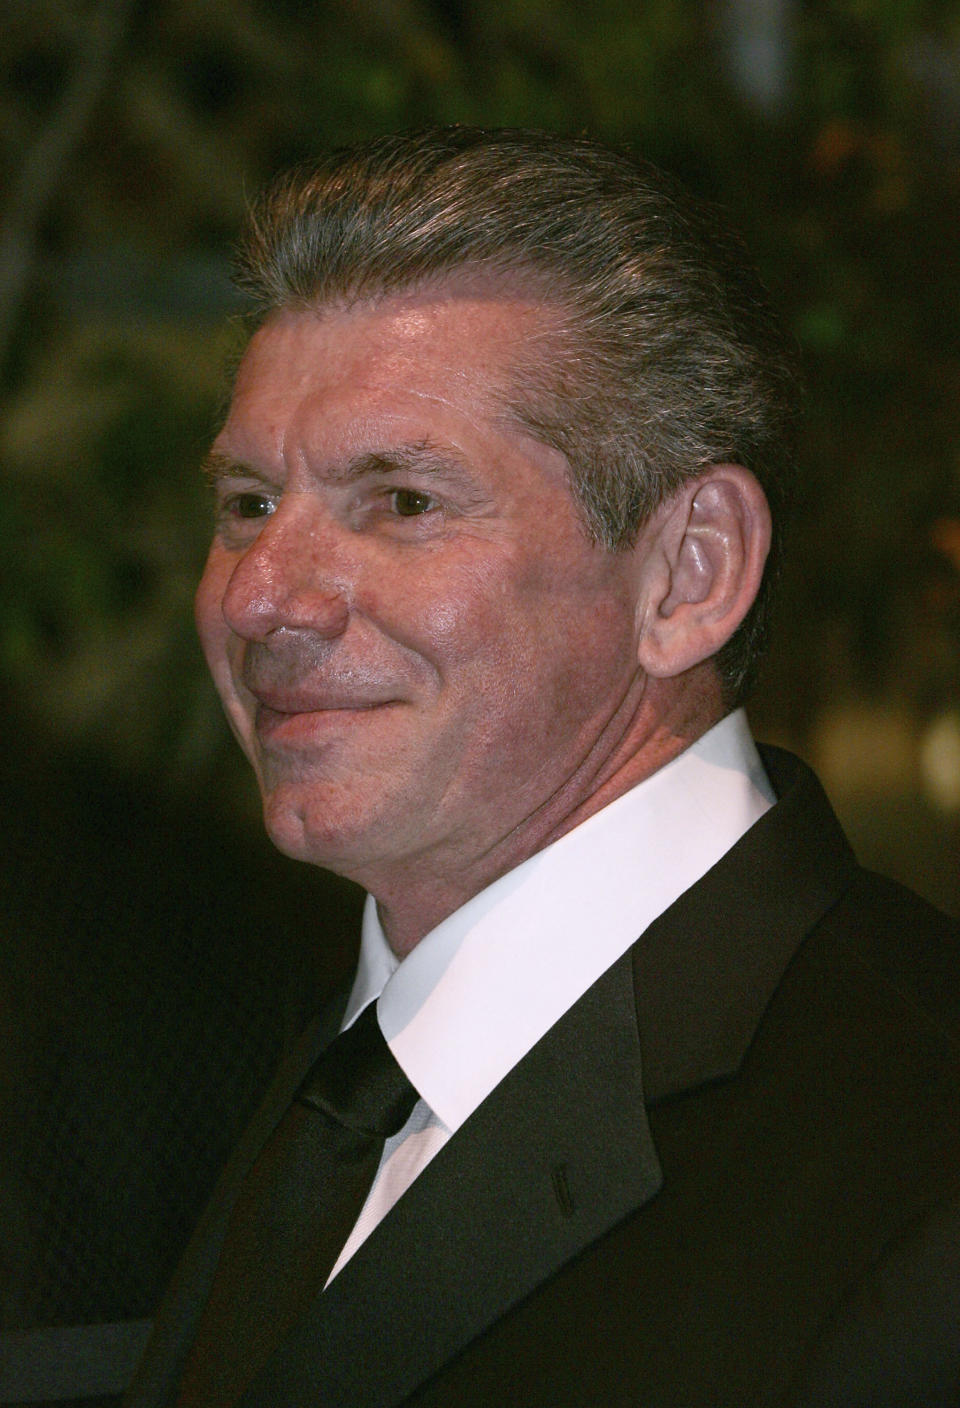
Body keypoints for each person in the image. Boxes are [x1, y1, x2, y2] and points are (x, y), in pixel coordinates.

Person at [125, 127, 960, 1408]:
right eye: (246, 504)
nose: (262, 596)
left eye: (400, 501)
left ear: (689, 574)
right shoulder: (276, 1065)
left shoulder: (911, 1158)